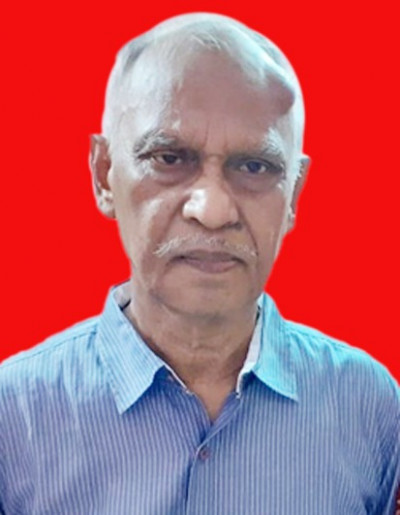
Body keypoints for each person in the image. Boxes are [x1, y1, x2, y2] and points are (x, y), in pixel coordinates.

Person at [0, 12, 399, 515]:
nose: (212, 210)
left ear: (294, 194)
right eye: (170, 158)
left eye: (254, 166)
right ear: (104, 175)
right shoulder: (12, 417)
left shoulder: (370, 407)